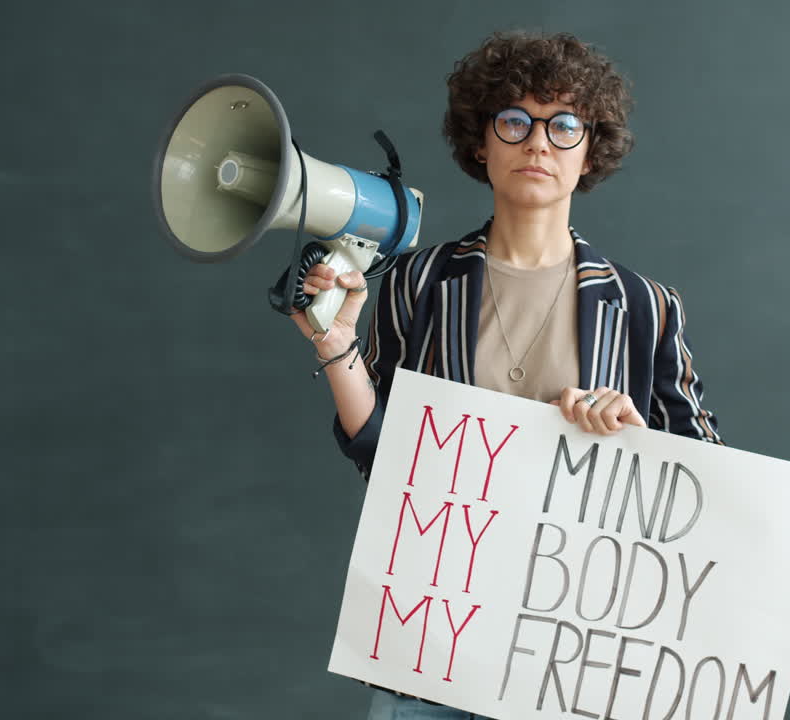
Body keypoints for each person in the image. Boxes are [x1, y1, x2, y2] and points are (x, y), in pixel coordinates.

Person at [289, 30, 722, 720]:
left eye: (565, 124)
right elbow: (383, 455)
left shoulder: (644, 306)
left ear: (590, 151)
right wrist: (337, 344)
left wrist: (635, 435)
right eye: (515, 121)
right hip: (437, 638)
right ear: (481, 143)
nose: (539, 142)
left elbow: (704, 483)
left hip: (575, 652)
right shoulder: (416, 282)